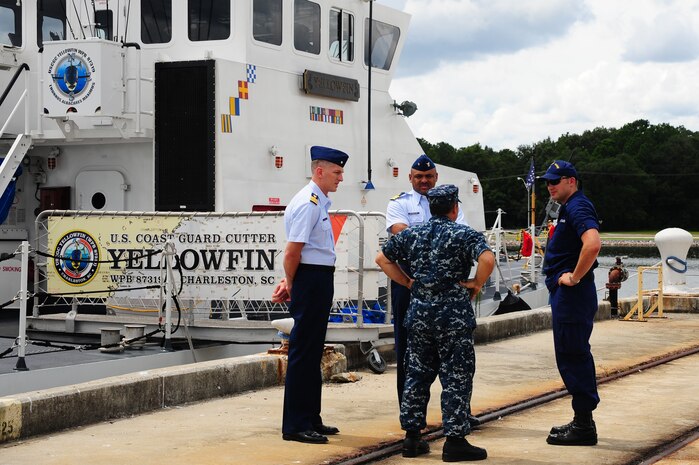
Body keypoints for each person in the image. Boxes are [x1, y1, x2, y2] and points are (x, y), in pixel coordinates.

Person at [376, 185, 495, 462]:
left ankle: (412, 438)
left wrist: (407, 282)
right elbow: (487, 258)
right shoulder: (464, 233)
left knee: (417, 373)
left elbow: (381, 259)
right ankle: (454, 440)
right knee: (456, 375)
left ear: (431, 208)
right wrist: (476, 283)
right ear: (455, 207)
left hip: (419, 315)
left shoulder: (411, 234)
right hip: (452, 316)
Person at [271, 146, 348, 444]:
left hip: (316, 277)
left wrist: (293, 278)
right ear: (320, 171)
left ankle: (310, 417)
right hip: (311, 279)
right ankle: (295, 425)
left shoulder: (318, 201)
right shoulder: (309, 202)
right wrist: (291, 282)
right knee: (303, 352)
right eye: (337, 172)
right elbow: (293, 252)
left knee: (313, 349)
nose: (341, 177)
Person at [385, 154, 467, 406]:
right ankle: (407, 409)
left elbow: (461, 236)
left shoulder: (453, 204)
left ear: (436, 178)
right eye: (419, 176)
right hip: (408, 281)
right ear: (410, 177)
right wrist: (438, 242)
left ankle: (457, 411)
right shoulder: (399, 203)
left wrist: (421, 239)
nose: (424, 180)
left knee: (454, 351)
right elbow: (398, 232)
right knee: (406, 346)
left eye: (428, 176)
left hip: (444, 288)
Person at [540, 160, 601, 446]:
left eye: (555, 180)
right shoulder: (570, 207)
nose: (550, 186)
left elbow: (593, 243)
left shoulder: (578, 206)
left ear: (571, 181)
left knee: (573, 354)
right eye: (548, 182)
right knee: (571, 353)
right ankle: (581, 421)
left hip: (573, 295)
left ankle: (583, 425)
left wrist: (574, 277)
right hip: (569, 296)